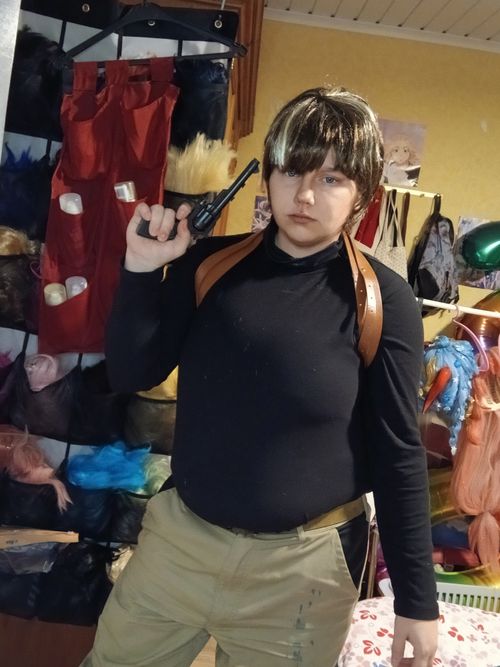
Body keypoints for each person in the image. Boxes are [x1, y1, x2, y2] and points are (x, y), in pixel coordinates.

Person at [82, 87, 439, 667]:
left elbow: (399, 451)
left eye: (331, 179)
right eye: (291, 170)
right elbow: (130, 372)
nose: (304, 195)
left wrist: (416, 603)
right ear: (268, 173)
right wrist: (142, 271)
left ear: (363, 194)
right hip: (180, 545)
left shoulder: (384, 302)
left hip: (302, 575)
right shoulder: (208, 266)